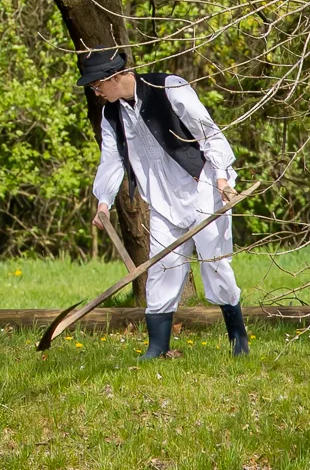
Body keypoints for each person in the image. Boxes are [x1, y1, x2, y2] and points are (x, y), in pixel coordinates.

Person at [81, 47, 247, 361]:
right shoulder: (110, 114)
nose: (96, 90)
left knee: (216, 265)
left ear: (115, 76)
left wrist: (223, 178)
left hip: (203, 188)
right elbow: (112, 161)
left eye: (97, 84)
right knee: (162, 269)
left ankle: (238, 339)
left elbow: (209, 133)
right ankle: (157, 347)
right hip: (160, 199)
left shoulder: (169, 88)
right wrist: (103, 202)